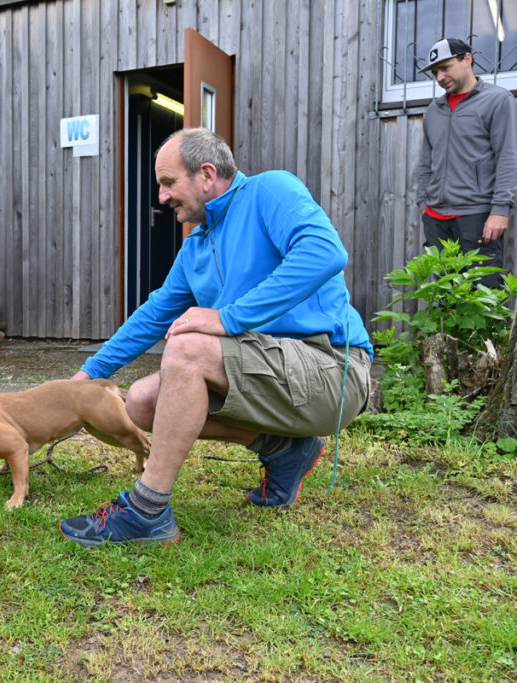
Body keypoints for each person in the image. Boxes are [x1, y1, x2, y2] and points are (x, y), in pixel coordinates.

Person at [59, 128, 373, 547]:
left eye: (168, 183)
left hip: (330, 368)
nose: (162, 197)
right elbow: (153, 315)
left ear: (206, 174)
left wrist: (229, 318)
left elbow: (325, 253)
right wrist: (87, 375)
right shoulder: (197, 246)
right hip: (274, 375)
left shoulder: (269, 191)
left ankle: (147, 511)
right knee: (142, 401)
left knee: (188, 348)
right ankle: (285, 450)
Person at [417, 37, 517, 289]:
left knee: (483, 296)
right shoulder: (434, 111)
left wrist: (500, 210)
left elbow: (508, 157)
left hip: (476, 216)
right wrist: (423, 205)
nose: (440, 77)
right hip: (436, 219)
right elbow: (425, 164)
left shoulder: (498, 100)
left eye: (445, 67)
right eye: (435, 72)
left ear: (467, 59)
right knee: (446, 297)